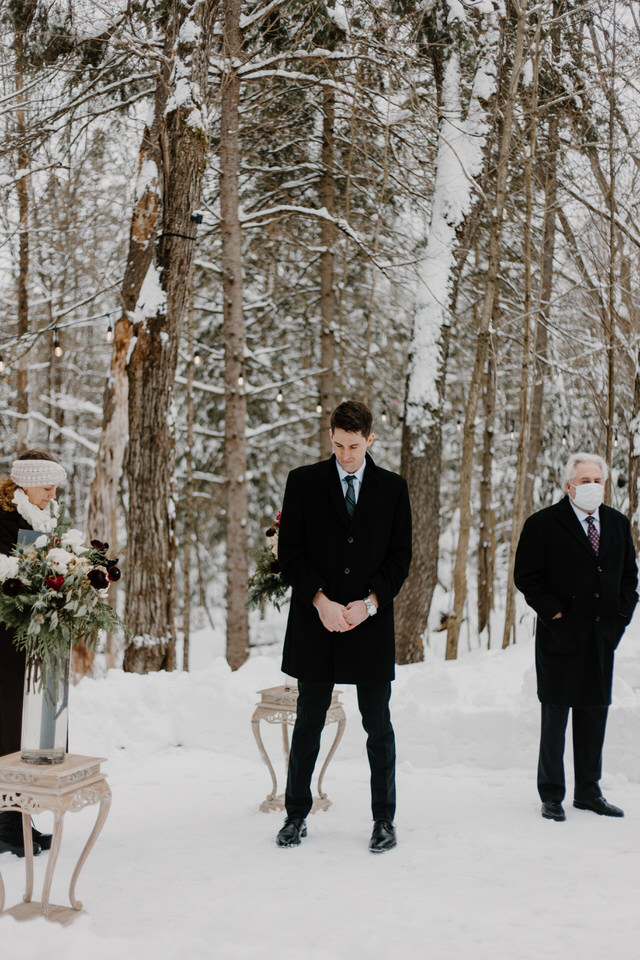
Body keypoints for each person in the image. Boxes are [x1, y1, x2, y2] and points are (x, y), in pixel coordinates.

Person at [275, 400, 412, 852]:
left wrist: (370, 603)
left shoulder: (393, 488)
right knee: (308, 721)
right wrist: (320, 601)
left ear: (370, 439)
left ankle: (384, 820)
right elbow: (289, 553)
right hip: (317, 622)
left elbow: (400, 558)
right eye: (337, 445)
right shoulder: (303, 482)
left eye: (354, 446)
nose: (345, 455)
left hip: (369, 624)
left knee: (379, 725)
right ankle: (296, 814)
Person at [514, 452, 638, 822]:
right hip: (560, 636)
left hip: (601, 637)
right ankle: (551, 794)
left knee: (594, 713)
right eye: (584, 481)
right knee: (556, 715)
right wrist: (554, 613)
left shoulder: (617, 524)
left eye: (597, 480)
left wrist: (618, 621)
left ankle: (589, 791)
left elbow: (629, 579)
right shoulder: (543, 524)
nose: (591, 487)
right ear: (569, 485)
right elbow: (527, 577)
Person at [0, 450, 67, 856]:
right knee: (7, 728)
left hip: (33, 641)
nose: (52, 494)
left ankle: (22, 816)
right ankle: (7, 822)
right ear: (24, 485)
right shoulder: (4, 524)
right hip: (5, 643)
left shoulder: (42, 519)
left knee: (27, 731)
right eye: (47, 487)